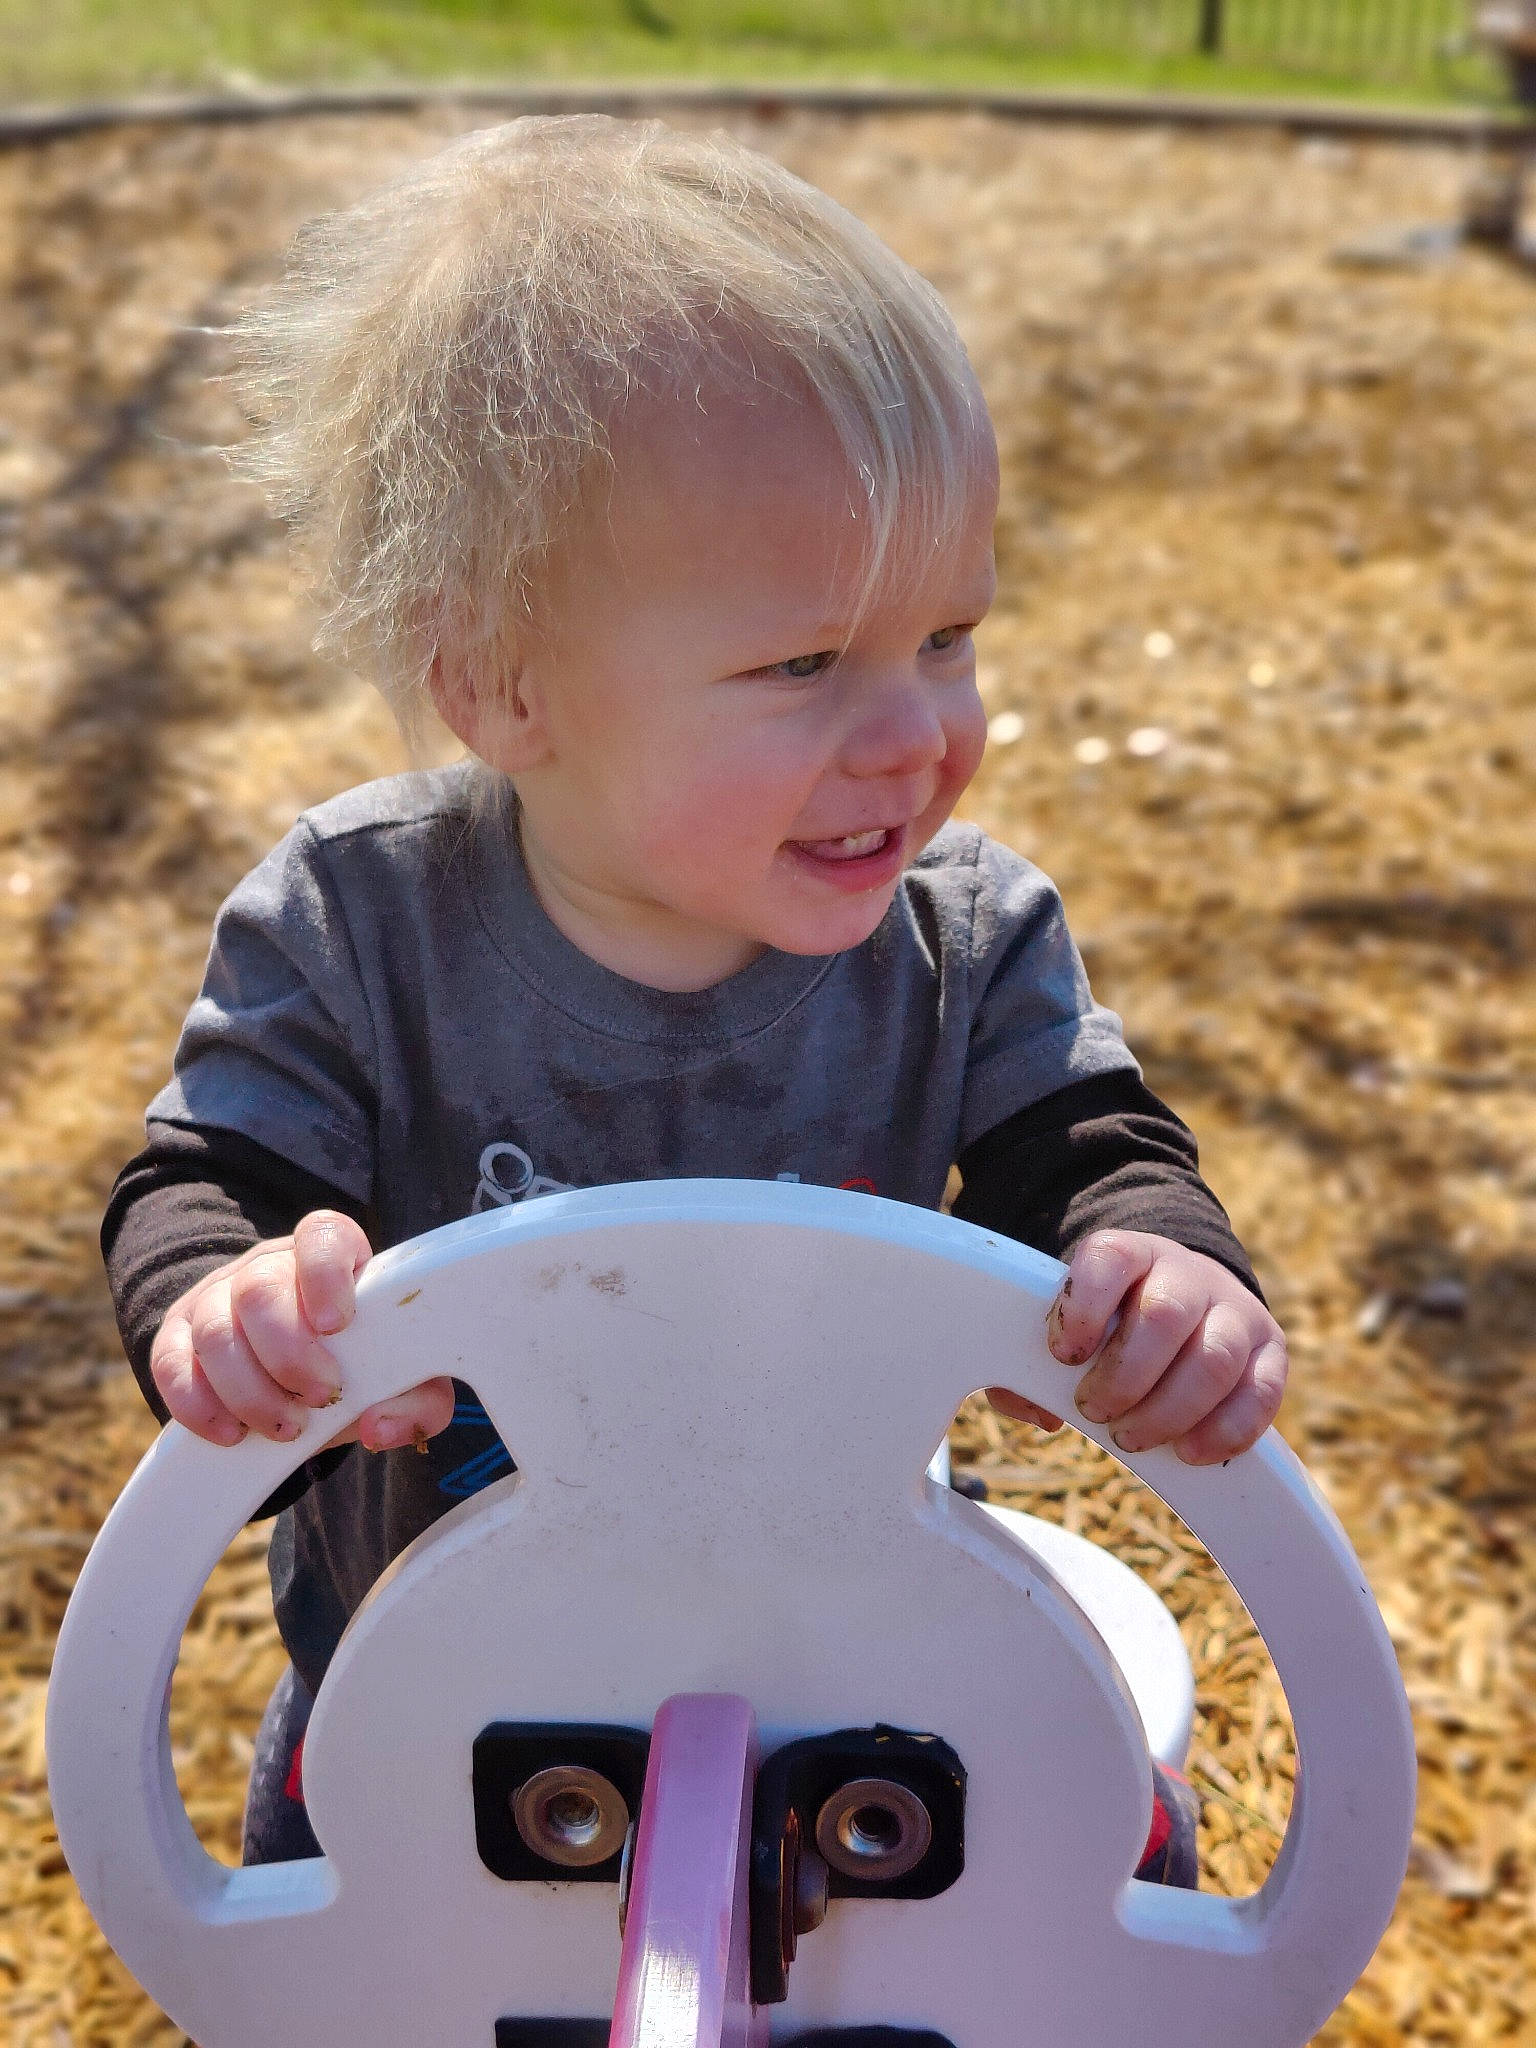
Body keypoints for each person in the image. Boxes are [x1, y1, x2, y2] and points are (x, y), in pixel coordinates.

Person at [101, 115, 1284, 1885]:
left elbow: (1089, 1147)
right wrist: (239, 1309)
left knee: (1082, 1908)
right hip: (439, 1710)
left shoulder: (965, 938)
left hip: (854, 1688)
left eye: (948, 635)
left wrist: (1161, 1270)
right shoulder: (353, 927)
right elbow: (202, 1187)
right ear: (501, 683)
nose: (919, 734)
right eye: (807, 663)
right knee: (331, 1972)